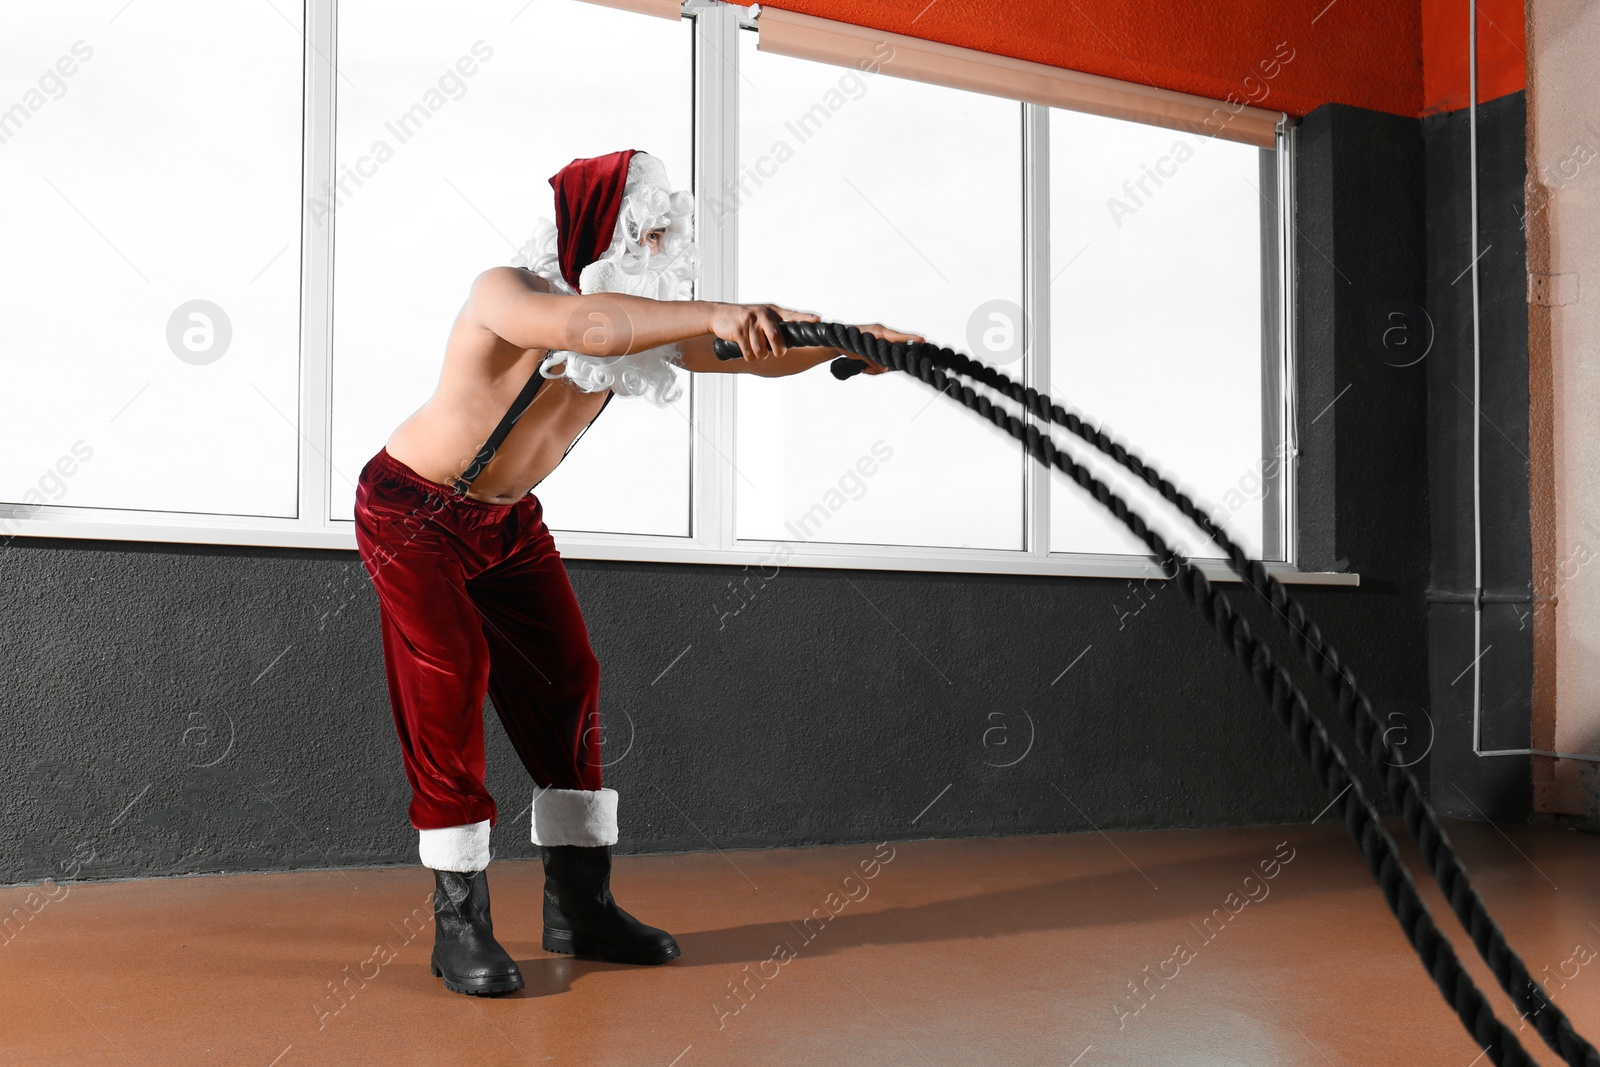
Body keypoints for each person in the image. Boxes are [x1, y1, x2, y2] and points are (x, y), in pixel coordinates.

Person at [351, 148, 923, 996]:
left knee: (568, 674)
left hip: (505, 523)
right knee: (450, 672)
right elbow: (590, 328)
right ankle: (458, 920)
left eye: (669, 235)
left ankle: (580, 906)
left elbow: (742, 349)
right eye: (646, 234)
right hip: (413, 511)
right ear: (596, 236)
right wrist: (726, 310)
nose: (664, 251)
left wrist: (851, 337)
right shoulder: (507, 291)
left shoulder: (643, 324)